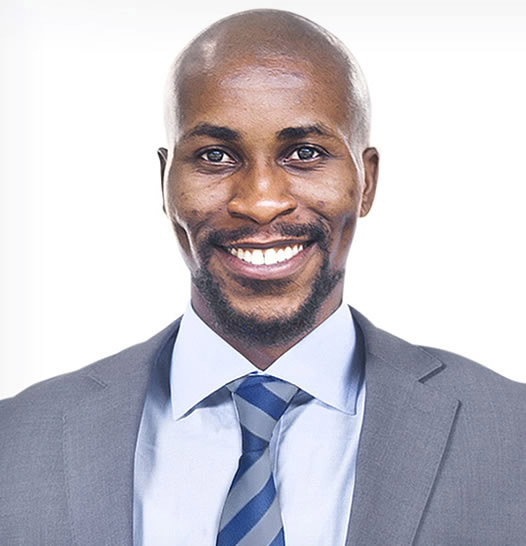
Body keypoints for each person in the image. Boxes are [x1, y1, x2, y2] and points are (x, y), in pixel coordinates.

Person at [1, 8, 525, 546]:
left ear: (366, 181)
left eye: (305, 154)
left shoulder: (514, 435)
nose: (260, 202)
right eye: (215, 156)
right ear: (165, 182)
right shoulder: (14, 442)